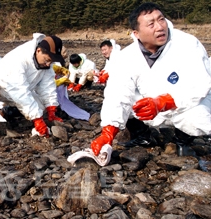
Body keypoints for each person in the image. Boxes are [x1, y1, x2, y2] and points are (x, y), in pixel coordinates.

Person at [90, 2, 211, 158]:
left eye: (161, 20)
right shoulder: (127, 57)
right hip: (152, 107)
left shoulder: (187, 44)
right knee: (124, 101)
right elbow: (117, 94)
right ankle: (143, 136)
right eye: (151, 24)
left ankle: (183, 141)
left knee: (197, 116)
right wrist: (108, 132)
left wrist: (165, 101)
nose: (160, 27)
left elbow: (199, 83)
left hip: (183, 102)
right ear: (137, 33)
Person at [0, 33, 64, 136]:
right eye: (47, 60)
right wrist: (37, 119)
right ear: (38, 51)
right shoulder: (19, 58)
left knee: (41, 109)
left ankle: (9, 111)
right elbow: (19, 91)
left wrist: (51, 108)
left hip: (24, 90)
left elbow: (47, 86)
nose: (48, 64)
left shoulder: (46, 63)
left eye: (51, 61)